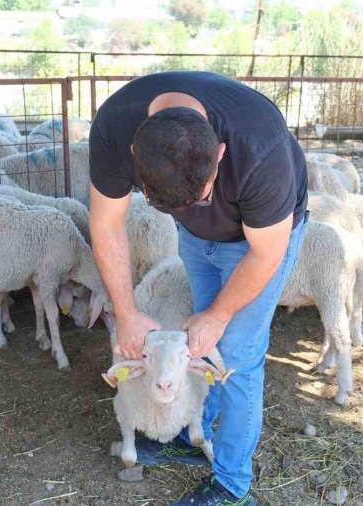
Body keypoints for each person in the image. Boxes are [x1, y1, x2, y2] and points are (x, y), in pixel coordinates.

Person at [89, 71, 308, 506]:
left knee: (236, 354)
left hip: (257, 241)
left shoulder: (260, 148)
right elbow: (106, 223)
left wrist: (219, 315)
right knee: (198, 346)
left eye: (202, 196)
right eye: (165, 203)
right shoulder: (114, 129)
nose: (193, 208)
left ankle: (232, 484)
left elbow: (266, 253)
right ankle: (193, 434)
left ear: (220, 152)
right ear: (135, 155)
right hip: (194, 239)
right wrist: (126, 314)